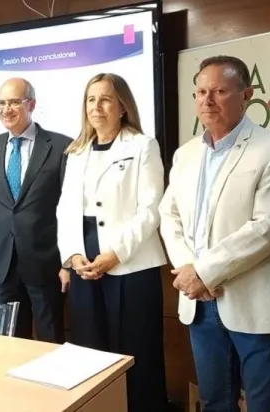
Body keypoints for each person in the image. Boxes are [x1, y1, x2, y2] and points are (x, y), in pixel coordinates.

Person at [159, 55, 270, 412]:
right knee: (215, 401)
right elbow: (168, 214)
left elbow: (268, 226)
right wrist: (189, 269)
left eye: (219, 91)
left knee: (264, 404)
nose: (207, 100)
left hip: (255, 298)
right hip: (199, 302)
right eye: (201, 92)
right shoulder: (186, 154)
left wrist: (204, 272)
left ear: (246, 95)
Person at [56, 73, 168, 411]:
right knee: (90, 349)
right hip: (85, 260)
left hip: (130, 262)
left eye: (105, 99)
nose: (96, 107)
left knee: (136, 352)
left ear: (122, 106)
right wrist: (72, 256)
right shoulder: (76, 151)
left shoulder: (142, 145)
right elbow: (65, 209)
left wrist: (116, 254)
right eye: (91, 100)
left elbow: (151, 209)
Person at [0, 77, 71, 343]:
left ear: (31, 104)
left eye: (14, 102)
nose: (6, 110)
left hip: (46, 264)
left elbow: (69, 210)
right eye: (1, 103)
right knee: (10, 343)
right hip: (2, 266)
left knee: (50, 340)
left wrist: (67, 262)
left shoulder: (61, 146)